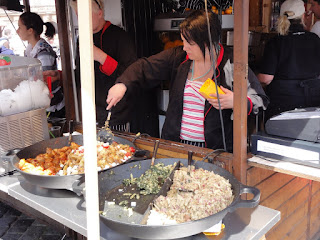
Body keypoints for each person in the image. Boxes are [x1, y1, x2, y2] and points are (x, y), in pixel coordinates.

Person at [106, 9, 268, 152]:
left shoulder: (232, 64)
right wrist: (123, 83)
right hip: (176, 145)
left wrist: (236, 101)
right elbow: (144, 66)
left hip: (214, 150)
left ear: (207, 43)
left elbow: (260, 101)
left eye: (189, 43)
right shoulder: (179, 57)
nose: (184, 47)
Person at [68, 0, 137, 130]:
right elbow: (79, 72)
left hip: (117, 112)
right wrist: (60, 76)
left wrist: (101, 57)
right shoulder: (81, 38)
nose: (81, 20)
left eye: (86, 15)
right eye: (78, 15)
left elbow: (131, 74)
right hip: (91, 110)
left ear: (100, 14)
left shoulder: (119, 36)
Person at [258, 0, 320, 121]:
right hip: (313, 101)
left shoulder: (275, 42)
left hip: (283, 105)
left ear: (281, 17)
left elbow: (266, 79)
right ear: (303, 16)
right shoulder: (315, 39)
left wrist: (253, 79)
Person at [17, 12, 65, 119]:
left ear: (30, 30)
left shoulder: (44, 52)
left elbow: (45, 81)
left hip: (52, 108)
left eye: (20, 27)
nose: (17, 30)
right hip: (41, 103)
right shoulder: (30, 49)